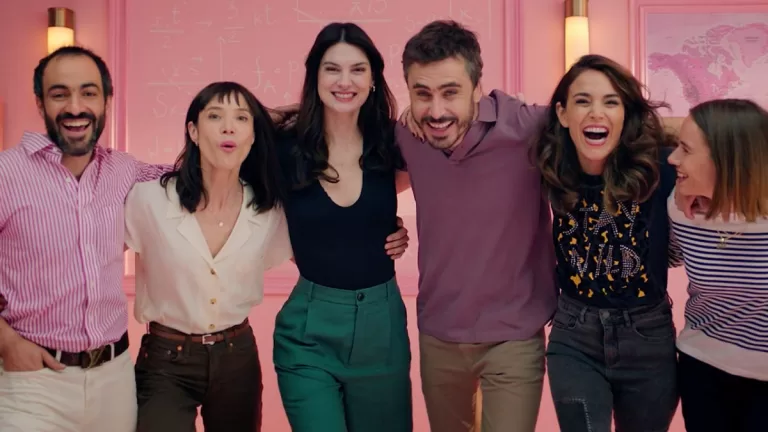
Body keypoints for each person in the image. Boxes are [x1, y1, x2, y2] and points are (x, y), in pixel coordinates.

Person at [397, 20, 557, 432]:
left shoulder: (528, 127)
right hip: (439, 332)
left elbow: (609, 126)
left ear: (476, 88)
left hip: (513, 336)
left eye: (450, 92)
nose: (436, 111)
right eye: (422, 94)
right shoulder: (408, 135)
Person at [0, 45, 169, 432]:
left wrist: (265, 123)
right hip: (32, 383)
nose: (75, 107)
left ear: (107, 99)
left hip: (114, 380)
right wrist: (5, 341)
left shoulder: (124, 170)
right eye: (59, 94)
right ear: (40, 103)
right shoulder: (6, 173)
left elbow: (196, 174)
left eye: (88, 92)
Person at [124, 81, 290, 431]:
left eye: (241, 118)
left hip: (237, 358)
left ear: (253, 136)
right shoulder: (149, 200)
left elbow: (325, 248)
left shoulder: (268, 210)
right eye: (215, 116)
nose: (229, 127)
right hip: (165, 360)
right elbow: (91, 255)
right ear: (193, 132)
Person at [272, 22, 413, 432]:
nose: (344, 81)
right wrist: (289, 112)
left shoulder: (393, 143)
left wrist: (393, 228)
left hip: (382, 329)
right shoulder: (285, 148)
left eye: (357, 70)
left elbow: (446, 182)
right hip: (308, 332)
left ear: (373, 79)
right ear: (314, 76)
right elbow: (223, 146)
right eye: (332, 69)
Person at [532, 54, 680, 432]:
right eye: (583, 101)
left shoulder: (661, 168)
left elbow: (721, 141)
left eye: (611, 102)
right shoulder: (550, 166)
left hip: (648, 338)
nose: (596, 112)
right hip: (574, 336)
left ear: (626, 115)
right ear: (563, 114)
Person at [668, 98, 768, 431]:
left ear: (726, 158)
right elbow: (669, 256)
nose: (672, 158)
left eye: (685, 149)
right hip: (702, 367)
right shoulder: (679, 208)